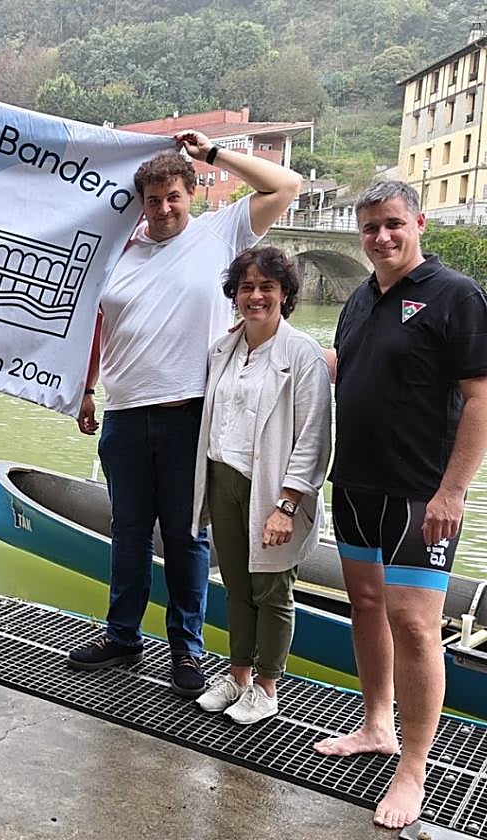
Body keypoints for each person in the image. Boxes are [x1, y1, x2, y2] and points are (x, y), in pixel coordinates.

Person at [66, 132, 301, 698]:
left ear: (191, 193)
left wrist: (213, 154)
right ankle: (122, 636)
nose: (164, 208)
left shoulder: (223, 233)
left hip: (191, 416)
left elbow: (285, 184)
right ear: (140, 203)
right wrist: (87, 388)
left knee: (186, 537)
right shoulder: (118, 250)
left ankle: (186, 650)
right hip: (124, 412)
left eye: (173, 196)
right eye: (153, 200)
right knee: (126, 532)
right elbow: (96, 323)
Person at [313, 180, 487, 830]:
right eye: (369, 229)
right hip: (356, 485)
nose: (381, 238)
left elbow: (480, 397)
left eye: (391, 225)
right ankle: (375, 725)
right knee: (365, 606)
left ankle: (412, 769)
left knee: (415, 626)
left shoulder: (455, 296)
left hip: (421, 496)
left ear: (416, 221)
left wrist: (453, 490)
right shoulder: (360, 300)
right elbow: (346, 367)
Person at [189, 247, 331, 724]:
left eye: (266, 287)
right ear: (235, 295)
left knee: (272, 588)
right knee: (235, 586)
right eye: (246, 287)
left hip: (272, 487)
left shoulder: (302, 354)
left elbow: (314, 435)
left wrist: (287, 504)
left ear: (285, 294)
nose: (255, 296)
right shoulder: (224, 349)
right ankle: (238, 676)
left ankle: (267, 688)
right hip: (223, 477)